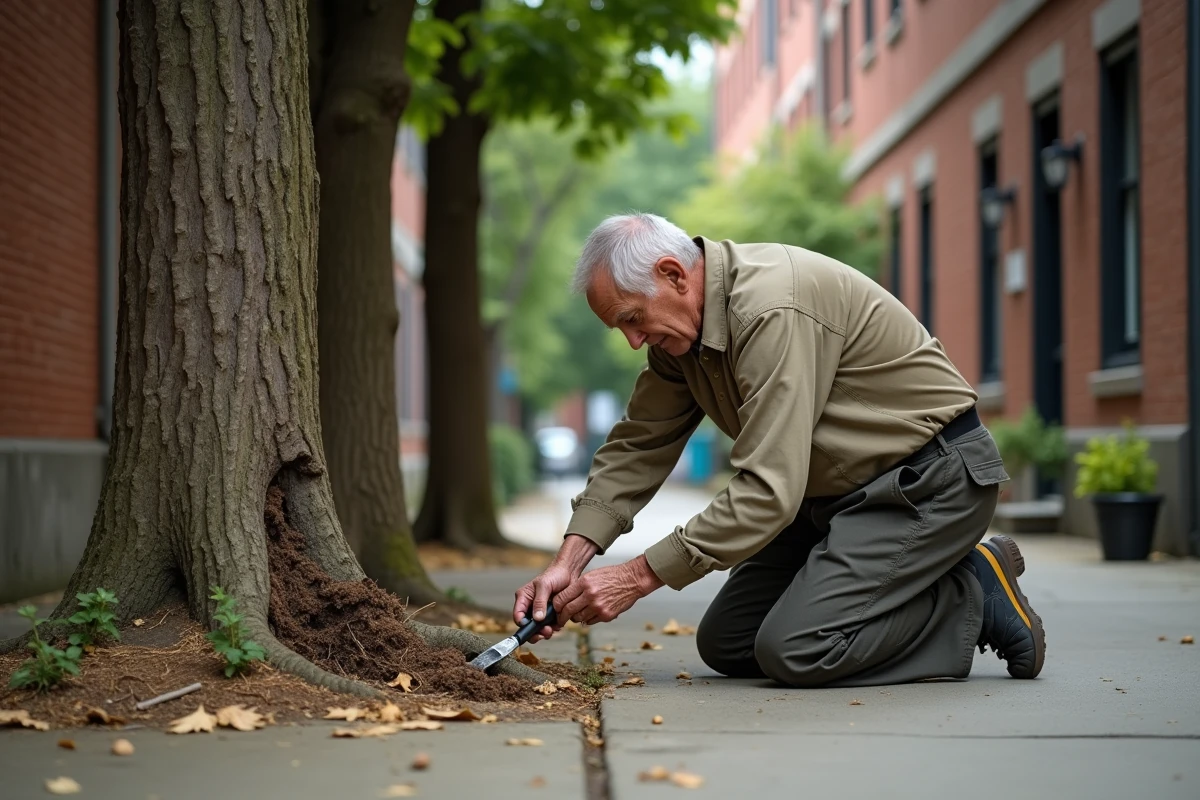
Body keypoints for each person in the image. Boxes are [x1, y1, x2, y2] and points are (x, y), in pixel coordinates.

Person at [513, 212, 1046, 686]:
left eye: (632, 318)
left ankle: (970, 590)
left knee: (797, 650)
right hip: (834, 497)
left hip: (929, 482)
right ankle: (916, 584)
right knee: (730, 643)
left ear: (673, 275)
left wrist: (635, 577)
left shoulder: (769, 310)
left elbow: (768, 490)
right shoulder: (683, 338)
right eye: (620, 327)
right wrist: (570, 561)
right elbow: (638, 447)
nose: (632, 340)